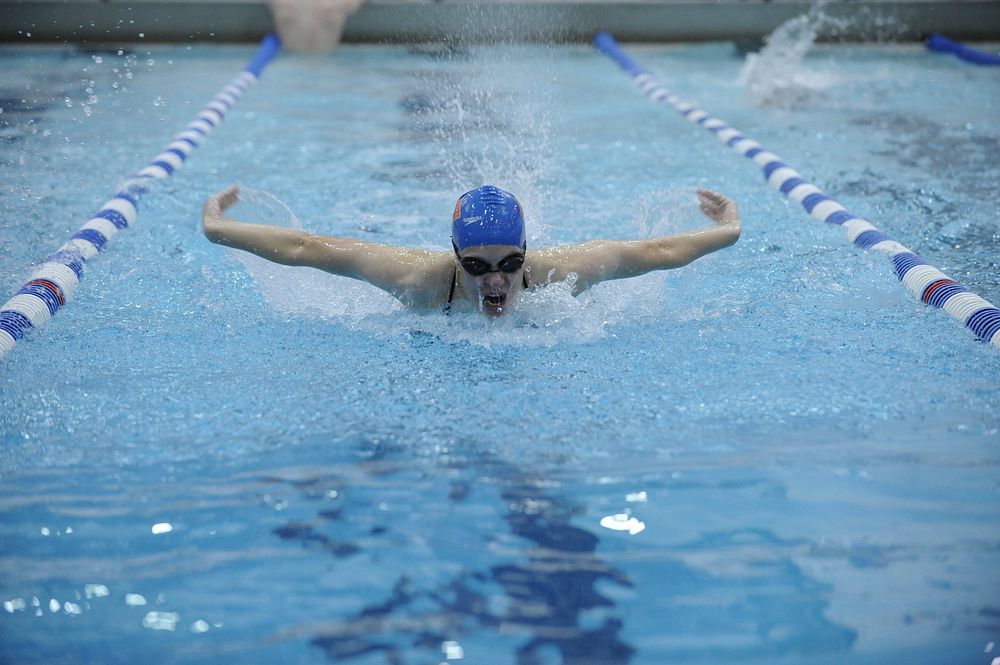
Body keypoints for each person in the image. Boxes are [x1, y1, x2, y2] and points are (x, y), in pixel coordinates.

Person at [202, 184, 741, 317]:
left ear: (528, 251)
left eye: (511, 263)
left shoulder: (561, 273)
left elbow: (657, 251)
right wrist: (215, 227)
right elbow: (305, 248)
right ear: (455, 257)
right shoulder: (418, 280)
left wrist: (730, 228)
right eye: (477, 266)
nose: (496, 281)